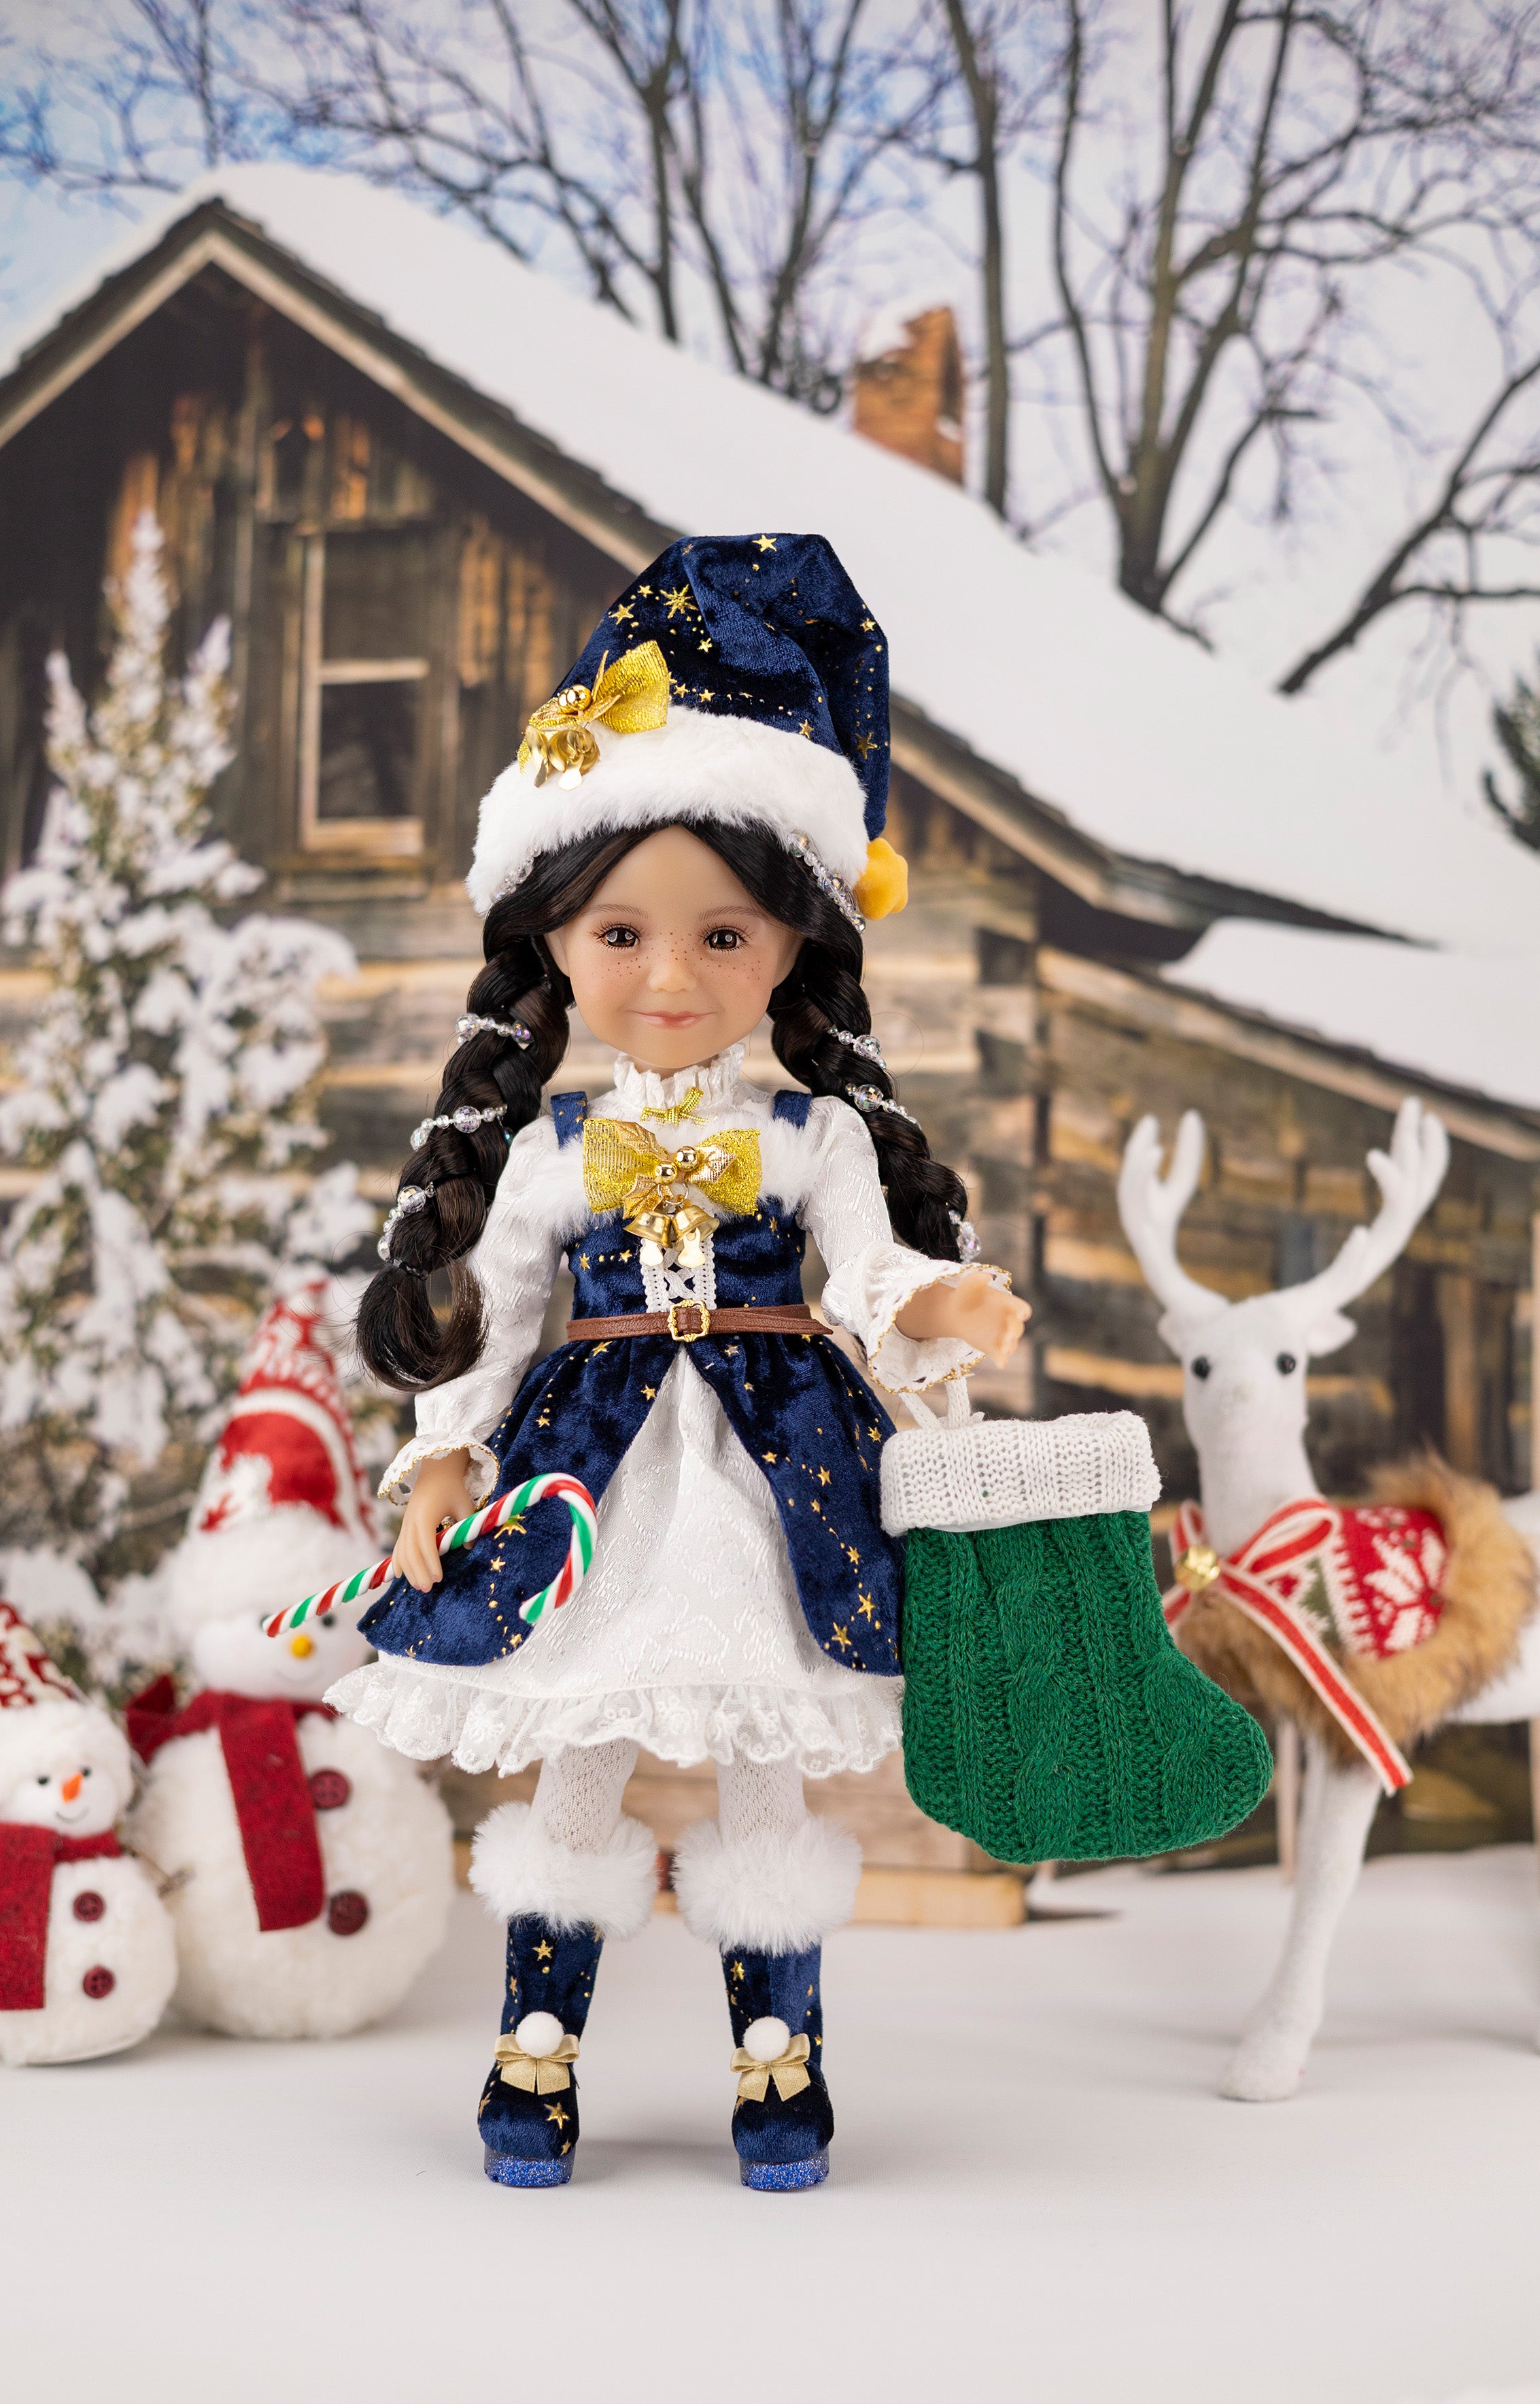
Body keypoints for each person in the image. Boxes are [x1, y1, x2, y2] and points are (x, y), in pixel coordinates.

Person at [330, 532, 1029, 2189]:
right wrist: (444, 1448)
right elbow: (497, 1315)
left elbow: (864, 1274)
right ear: (556, 945)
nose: (667, 975)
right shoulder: (553, 1150)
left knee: (761, 1771)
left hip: (776, 1474)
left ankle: (776, 2059)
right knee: (580, 1740)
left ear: (791, 947)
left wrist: (930, 1306)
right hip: (596, 1472)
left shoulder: (809, 1133)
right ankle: (535, 2043)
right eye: (623, 932)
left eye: (723, 937)